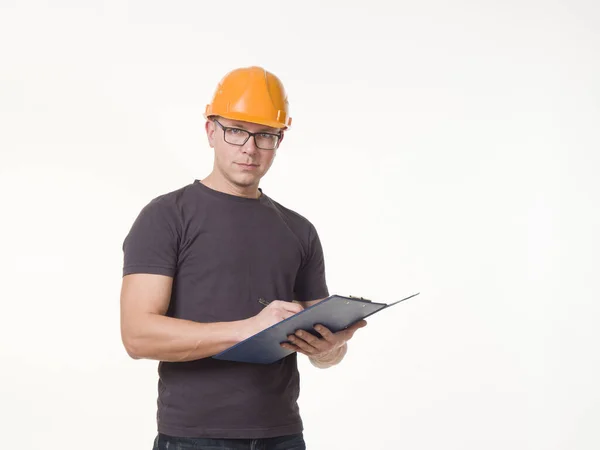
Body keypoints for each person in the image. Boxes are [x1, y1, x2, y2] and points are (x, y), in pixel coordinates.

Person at [120, 66, 367, 450]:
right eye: (236, 130)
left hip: (282, 436)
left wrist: (330, 348)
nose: (249, 148)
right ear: (210, 131)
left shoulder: (299, 229)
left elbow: (326, 351)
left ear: (279, 140)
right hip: (194, 438)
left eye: (265, 135)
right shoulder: (167, 215)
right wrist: (248, 328)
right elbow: (137, 335)